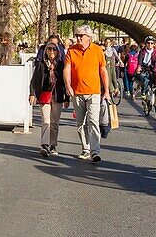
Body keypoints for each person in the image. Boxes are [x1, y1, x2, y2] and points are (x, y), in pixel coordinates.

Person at [62, 25, 109, 164]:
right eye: (76, 36)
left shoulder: (97, 50)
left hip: (94, 92)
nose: (77, 38)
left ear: (88, 38)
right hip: (77, 92)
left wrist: (106, 91)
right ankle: (85, 148)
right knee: (81, 123)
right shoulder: (71, 50)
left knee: (93, 121)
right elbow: (67, 69)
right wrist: (68, 86)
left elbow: (103, 71)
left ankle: (95, 151)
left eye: (80, 36)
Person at [30, 42, 66, 157]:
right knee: (46, 121)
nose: (52, 52)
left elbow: (65, 81)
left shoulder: (61, 65)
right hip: (45, 94)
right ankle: (44, 145)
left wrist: (67, 98)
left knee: (54, 123)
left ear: (57, 52)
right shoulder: (41, 64)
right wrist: (32, 94)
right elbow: (34, 80)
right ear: (45, 51)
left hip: (57, 94)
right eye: (49, 49)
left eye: (54, 49)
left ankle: (53, 145)